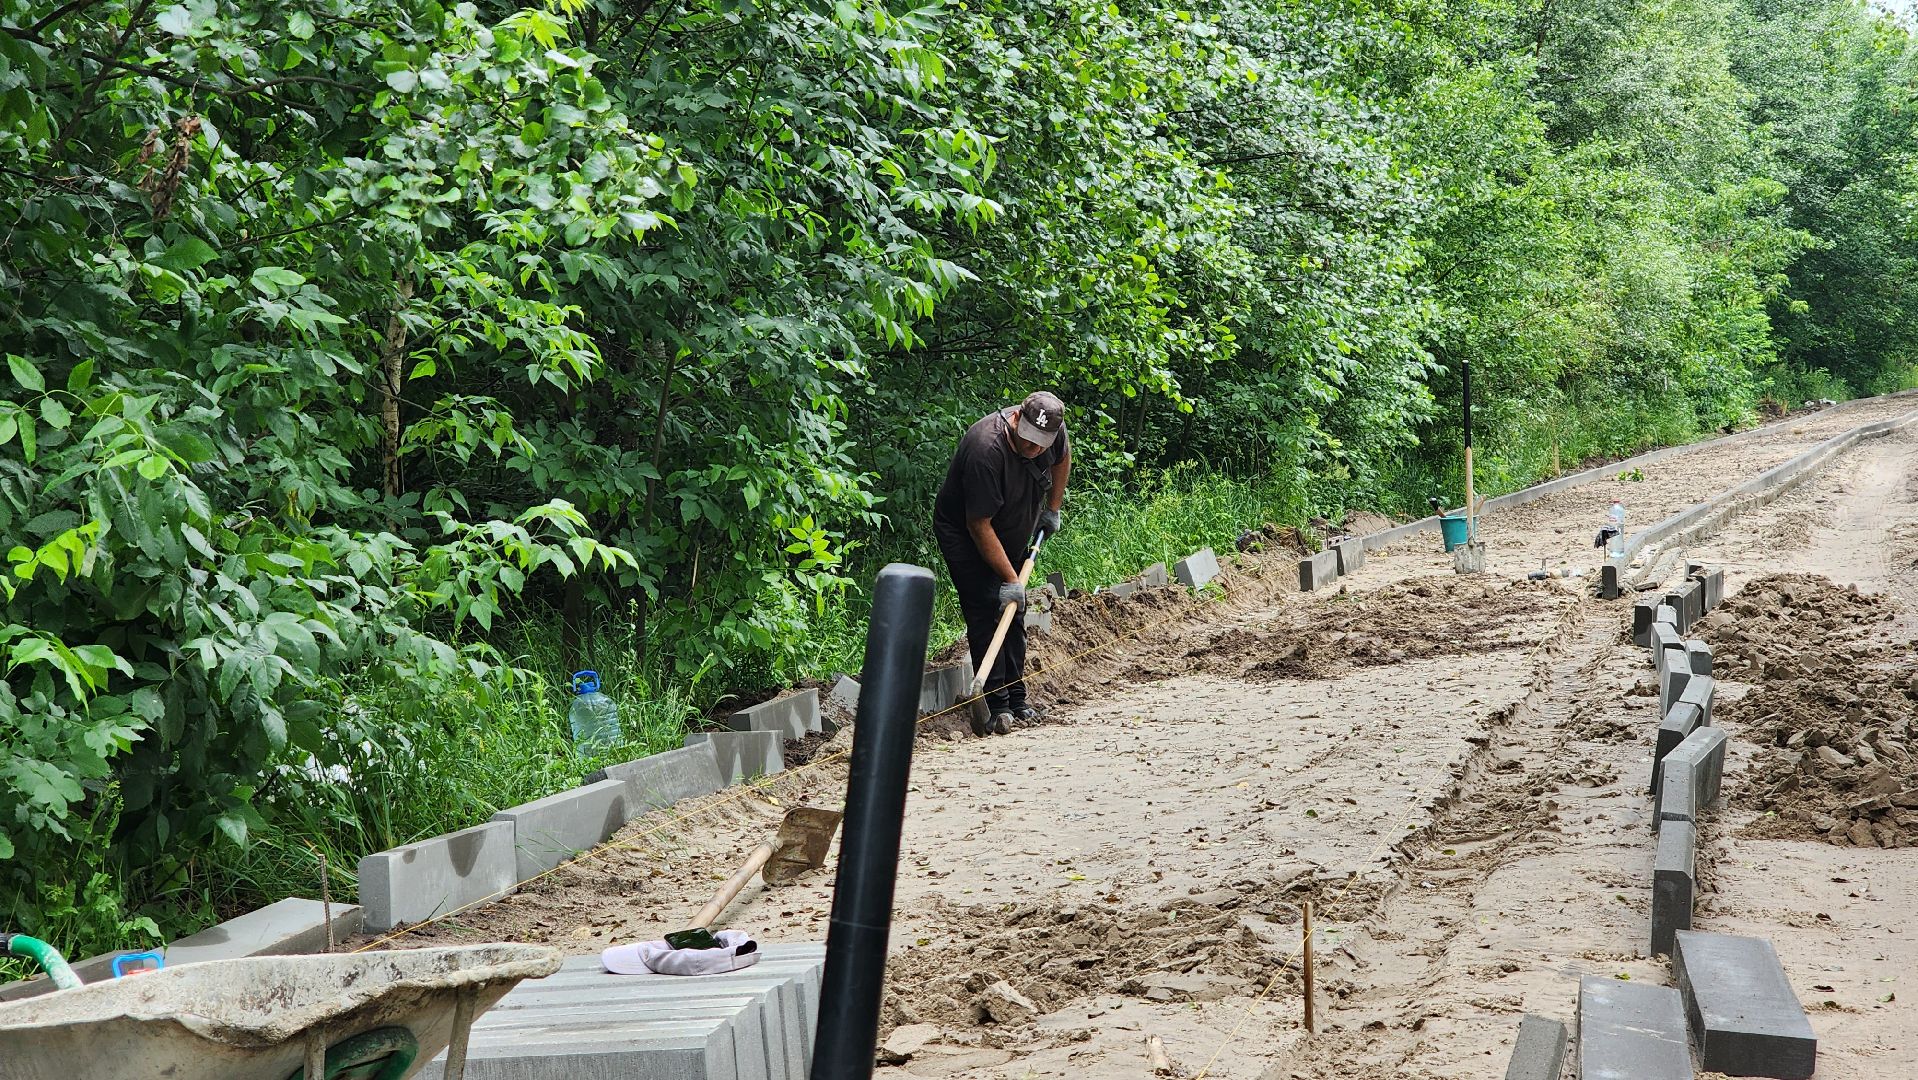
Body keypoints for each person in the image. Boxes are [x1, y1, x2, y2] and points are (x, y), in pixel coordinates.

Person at [932, 391, 1071, 735]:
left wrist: (1052, 509)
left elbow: (1062, 459)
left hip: (1008, 525)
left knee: (1014, 609)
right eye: (1027, 441)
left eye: (1041, 443)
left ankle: (1017, 698)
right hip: (966, 534)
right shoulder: (985, 449)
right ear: (1016, 418)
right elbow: (978, 525)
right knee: (987, 605)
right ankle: (995, 705)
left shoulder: (1053, 432)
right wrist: (1011, 579)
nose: (1034, 449)